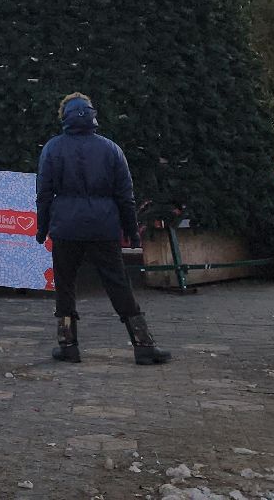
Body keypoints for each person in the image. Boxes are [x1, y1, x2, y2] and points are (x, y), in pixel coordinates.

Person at [35, 92, 171, 366]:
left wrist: (43, 227)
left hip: (67, 227)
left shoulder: (52, 148)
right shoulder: (111, 149)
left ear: (65, 117)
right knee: (118, 283)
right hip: (103, 226)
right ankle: (143, 344)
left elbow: (44, 193)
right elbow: (125, 195)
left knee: (65, 284)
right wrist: (132, 231)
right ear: (92, 115)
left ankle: (68, 345)